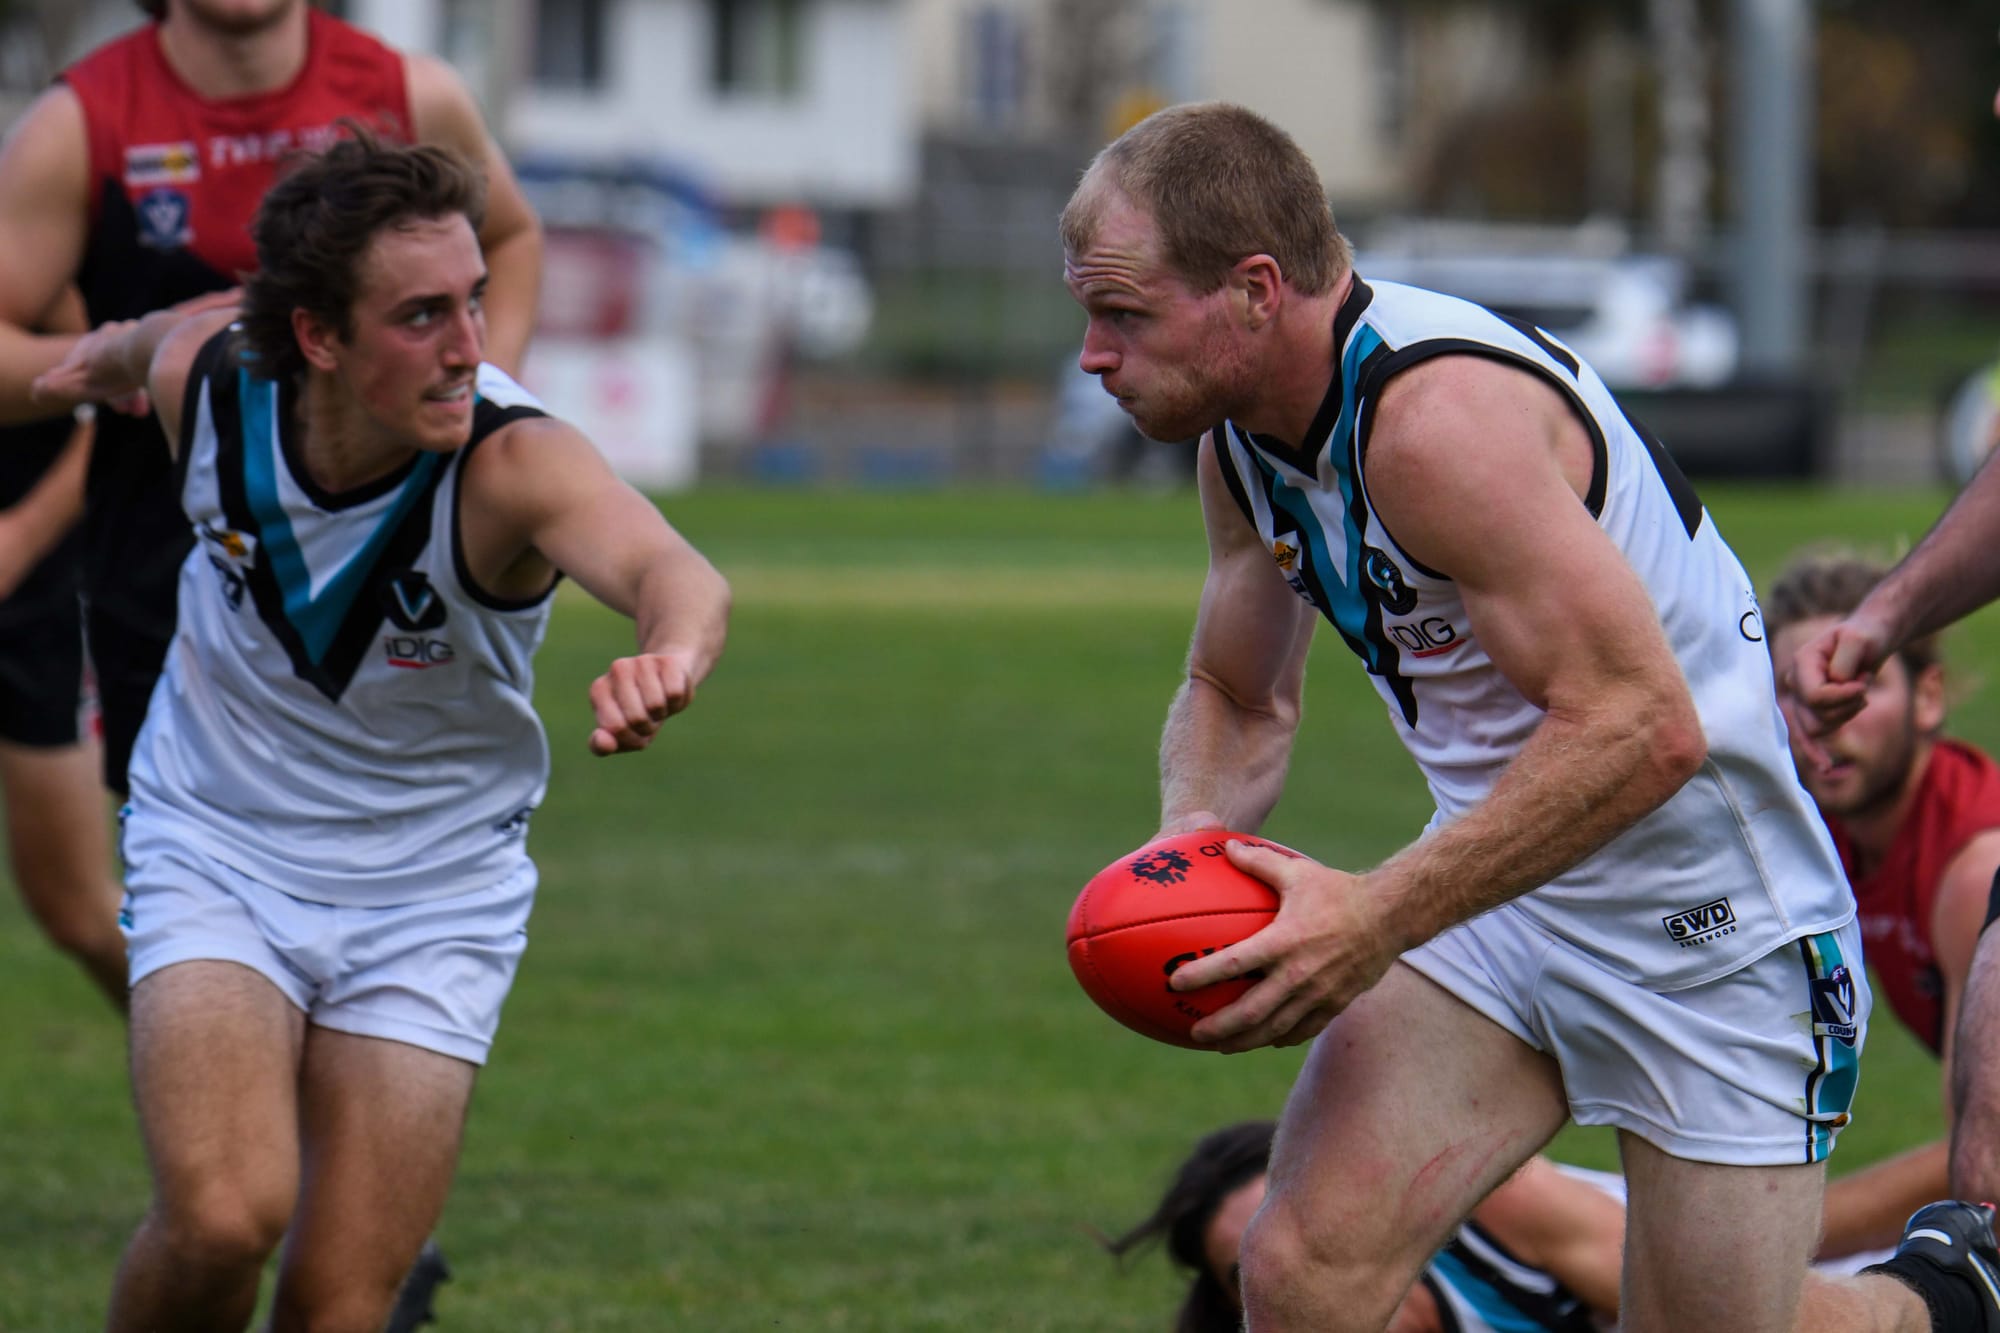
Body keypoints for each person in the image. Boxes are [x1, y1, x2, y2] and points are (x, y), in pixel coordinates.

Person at [1059, 100, 1999, 1332]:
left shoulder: (1435, 423)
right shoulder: (1242, 445)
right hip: (1500, 894)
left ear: (1253, 289)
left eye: (1122, 313)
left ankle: (1947, 1303)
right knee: (1296, 1274)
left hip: (1710, 931)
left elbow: (1641, 731)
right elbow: (1238, 693)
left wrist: (1373, 914)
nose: (1090, 353)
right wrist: (1183, 850)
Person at [33, 133, 726, 1333]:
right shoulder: (203, 379)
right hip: (220, 847)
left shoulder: (514, 463)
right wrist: (100, 356)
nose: (470, 346)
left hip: (433, 894)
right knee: (221, 1218)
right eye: (421, 316)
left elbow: (674, 568)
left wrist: (666, 651)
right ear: (316, 337)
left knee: (339, 1303)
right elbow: (152, 341)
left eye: (473, 301)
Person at [0, 0, 542, 802]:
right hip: (173, 566)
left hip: (394, 549)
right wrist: (135, 352)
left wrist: (476, 393)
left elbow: (511, 235)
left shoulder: (410, 96)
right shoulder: (81, 121)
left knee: (385, 854)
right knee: (179, 878)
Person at [1764, 551, 2000, 1259]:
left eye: (1855, 681)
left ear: (1928, 697)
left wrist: (1764, 1236)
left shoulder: (1975, 868)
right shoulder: (1825, 841)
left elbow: (1985, 1170)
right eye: (1794, 687)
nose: (1822, 715)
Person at [1109, 1121, 1624, 1333]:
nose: (1291, 1272)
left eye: (1307, 1234)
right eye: (1252, 1271)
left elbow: (1697, 1310)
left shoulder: (1490, 1195)